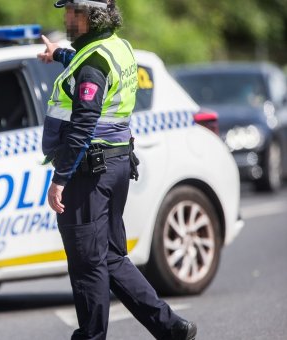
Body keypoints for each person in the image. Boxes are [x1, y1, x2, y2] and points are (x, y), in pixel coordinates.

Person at [37, 1, 197, 339]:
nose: (65, 18)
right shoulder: (116, 47)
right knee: (110, 257)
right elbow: (86, 67)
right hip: (116, 164)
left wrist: (60, 178)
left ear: (87, 17)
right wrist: (57, 54)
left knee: (86, 262)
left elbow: (82, 123)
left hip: (89, 171)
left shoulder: (94, 62)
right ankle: (169, 327)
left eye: (70, 12)